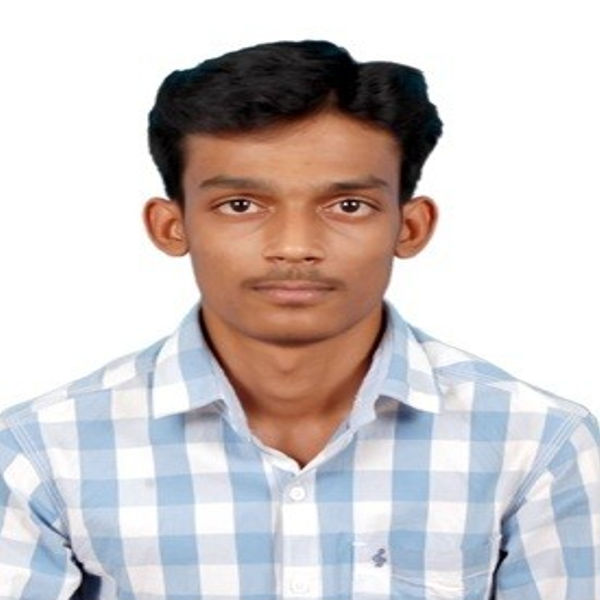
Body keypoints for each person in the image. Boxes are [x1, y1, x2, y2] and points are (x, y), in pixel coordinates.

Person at [1, 39, 598, 600]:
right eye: (240, 205)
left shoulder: (536, 444)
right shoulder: (42, 453)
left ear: (410, 227)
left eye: (348, 205)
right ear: (171, 226)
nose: (294, 246)